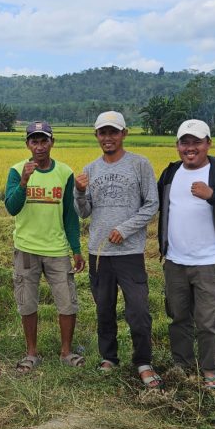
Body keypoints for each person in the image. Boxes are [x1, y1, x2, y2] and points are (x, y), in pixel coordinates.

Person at [158, 119, 215, 388]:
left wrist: (212, 194)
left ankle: (210, 369)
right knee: (178, 318)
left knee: (208, 321)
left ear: (208, 143)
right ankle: (182, 365)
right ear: (177, 146)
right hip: (175, 261)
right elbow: (154, 203)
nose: (190, 147)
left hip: (209, 262)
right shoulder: (170, 173)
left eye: (196, 142)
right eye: (184, 142)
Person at [74, 111, 160, 387]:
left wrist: (124, 229)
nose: (108, 138)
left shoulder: (140, 165)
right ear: (97, 136)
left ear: (124, 134)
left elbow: (152, 204)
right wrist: (78, 192)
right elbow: (84, 213)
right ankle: (109, 357)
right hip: (99, 253)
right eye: (103, 133)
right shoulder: (90, 170)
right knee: (104, 310)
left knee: (138, 310)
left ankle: (143, 361)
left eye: (113, 132)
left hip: (130, 253)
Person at [4, 121, 85, 372]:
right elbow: (11, 207)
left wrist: (76, 248)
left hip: (57, 250)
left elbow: (70, 216)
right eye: (34, 141)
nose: (39, 146)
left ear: (52, 142)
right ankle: (31, 353)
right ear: (27, 144)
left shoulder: (65, 173)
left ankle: (66, 352)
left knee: (67, 302)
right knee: (27, 303)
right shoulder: (17, 171)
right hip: (27, 249)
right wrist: (24, 182)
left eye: (44, 141)